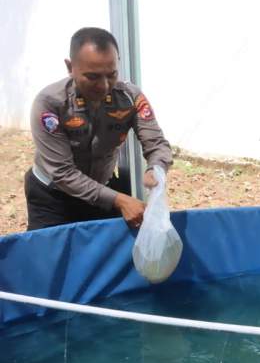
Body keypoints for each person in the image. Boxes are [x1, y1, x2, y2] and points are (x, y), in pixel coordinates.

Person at [25, 27, 173, 231]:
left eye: (111, 75)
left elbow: (157, 144)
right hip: (53, 196)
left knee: (109, 249)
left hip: (104, 191)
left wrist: (156, 168)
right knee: (50, 251)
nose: (103, 86)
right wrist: (119, 200)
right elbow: (62, 173)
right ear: (70, 67)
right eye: (92, 77)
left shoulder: (130, 97)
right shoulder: (50, 104)